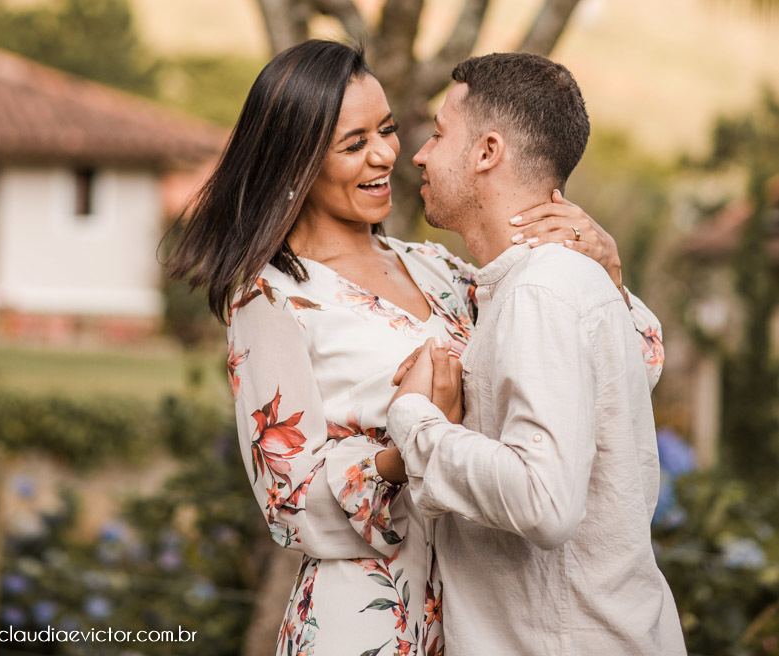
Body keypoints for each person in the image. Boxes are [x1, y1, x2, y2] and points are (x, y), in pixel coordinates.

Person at [168, 39, 663, 656]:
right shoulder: (274, 300)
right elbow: (287, 504)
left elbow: (614, 374)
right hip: (371, 618)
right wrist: (406, 450)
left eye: (388, 129)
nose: (387, 155)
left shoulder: (437, 268)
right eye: (354, 144)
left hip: (481, 613)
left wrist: (606, 274)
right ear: (297, 162)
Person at [387, 52, 686, 655]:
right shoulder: (558, 284)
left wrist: (414, 420)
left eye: (440, 134)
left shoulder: (539, 293)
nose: (418, 154)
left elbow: (543, 502)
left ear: (487, 152)